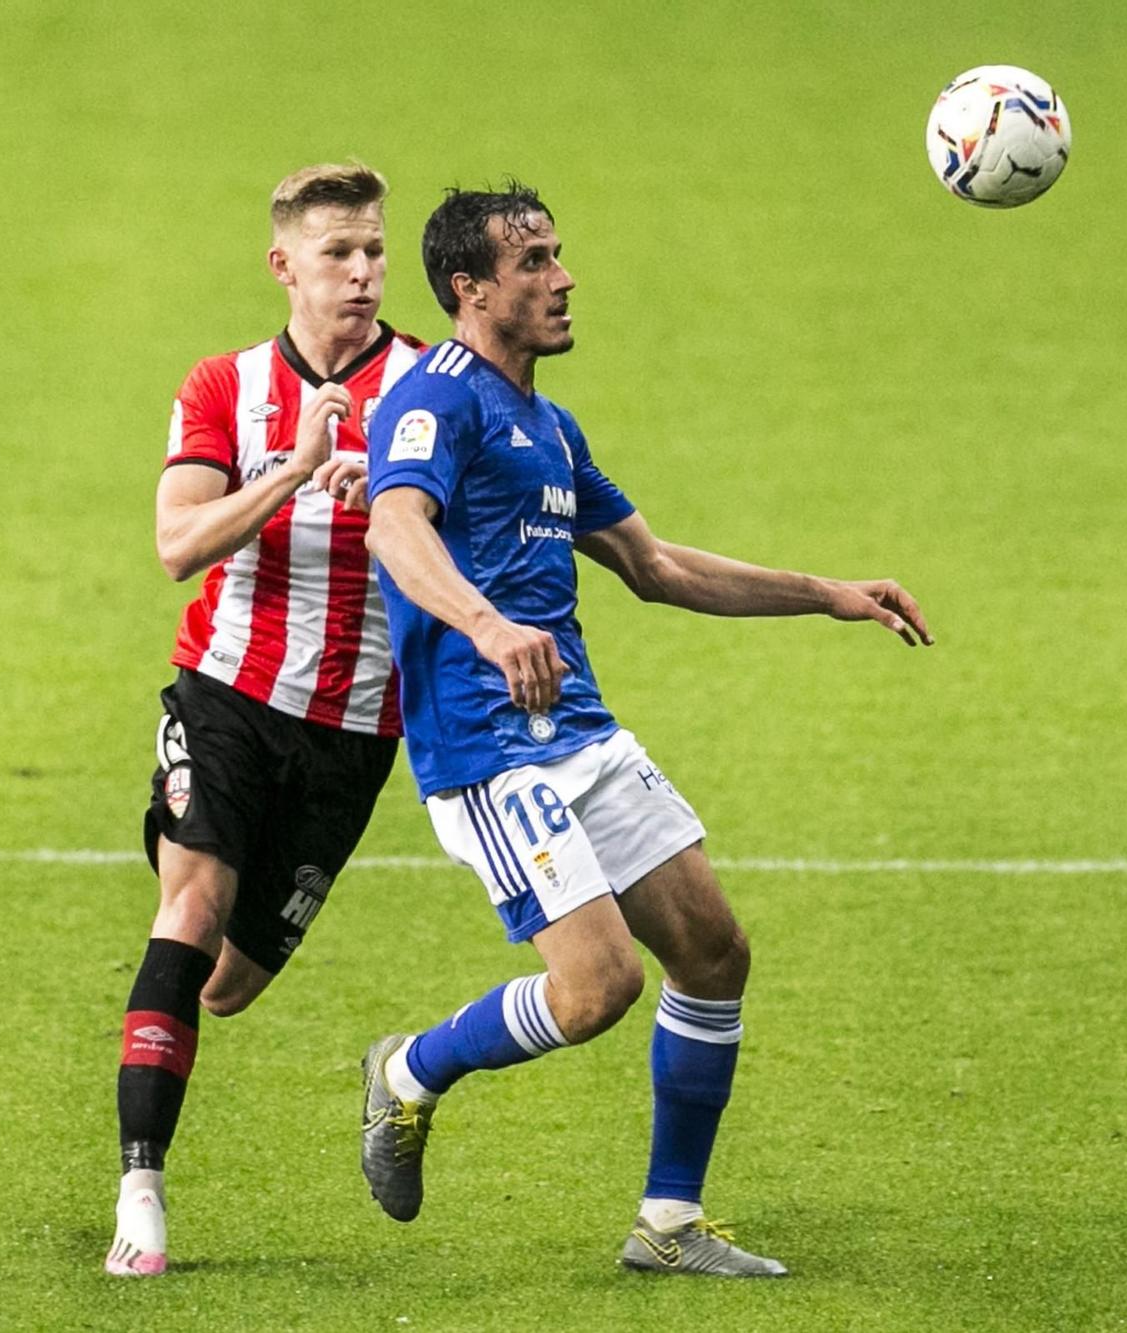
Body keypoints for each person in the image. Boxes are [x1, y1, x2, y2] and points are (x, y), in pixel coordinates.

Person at [357, 182, 931, 1278]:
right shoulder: (433, 397)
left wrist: (825, 591)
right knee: (595, 990)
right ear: (469, 290)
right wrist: (485, 626)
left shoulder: (547, 425)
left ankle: (667, 1224)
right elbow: (394, 524)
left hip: (576, 729)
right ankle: (408, 1072)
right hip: (485, 745)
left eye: (557, 256)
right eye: (533, 264)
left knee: (713, 952)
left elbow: (656, 566)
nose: (562, 279)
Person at [106, 162, 426, 1278]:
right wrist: (292, 472)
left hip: (352, 726)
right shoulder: (223, 388)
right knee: (188, 906)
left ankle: (166, 1053)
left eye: (374, 251)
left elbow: (477, 551)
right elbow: (176, 546)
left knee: (227, 984)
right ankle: (140, 1189)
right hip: (228, 692)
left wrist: (389, 499)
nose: (362, 273)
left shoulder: (435, 387)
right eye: (339, 253)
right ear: (283, 264)